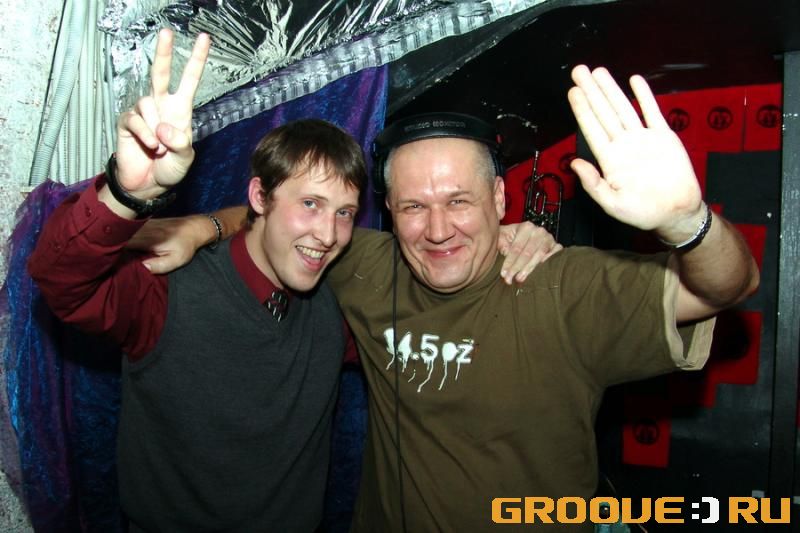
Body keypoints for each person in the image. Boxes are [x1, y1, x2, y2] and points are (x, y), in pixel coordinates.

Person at [147, 65, 759, 531]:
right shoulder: (362, 262)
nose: (438, 230)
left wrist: (687, 223)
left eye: (459, 201)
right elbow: (288, 223)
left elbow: (727, 286)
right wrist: (205, 226)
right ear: (389, 212)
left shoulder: (563, 286)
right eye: (414, 206)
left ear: (499, 199)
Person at [27, 29, 558, 531]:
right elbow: (61, 280)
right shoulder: (172, 286)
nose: (327, 234)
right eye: (310, 204)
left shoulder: (337, 305)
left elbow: (436, 322)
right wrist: (127, 193)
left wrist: (502, 240)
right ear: (259, 197)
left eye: (345, 213)